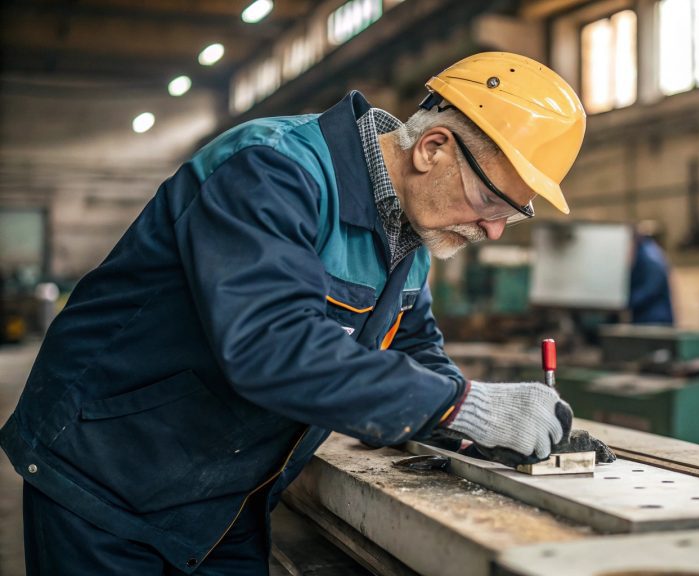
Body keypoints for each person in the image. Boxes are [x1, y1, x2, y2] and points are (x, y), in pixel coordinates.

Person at [1, 52, 611, 575]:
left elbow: (413, 346)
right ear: (432, 148)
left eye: (513, 213)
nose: (495, 230)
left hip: (228, 494)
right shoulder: (271, 170)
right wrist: (460, 405)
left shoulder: (411, 232)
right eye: (490, 201)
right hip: (107, 474)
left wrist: (482, 424)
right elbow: (271, 346)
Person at [628, 221, 675, 325]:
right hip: (646, 318)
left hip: (656, 320)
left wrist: (625, 302)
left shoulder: (651, 258)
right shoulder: (642, 255)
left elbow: (650, 289)